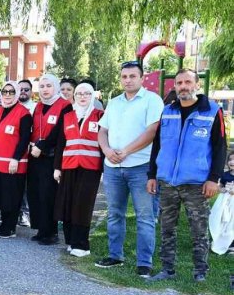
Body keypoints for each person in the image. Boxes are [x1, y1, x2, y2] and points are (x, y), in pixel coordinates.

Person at [147, 69, 227, 282]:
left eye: (187, 82)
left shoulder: (211, 111)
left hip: (197, 183)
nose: (183, 86)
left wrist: (213, 178)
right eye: (179, 83)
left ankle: (200, 272)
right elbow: (157, 145)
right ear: (175, 87)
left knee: (198, 229)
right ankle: (167, 269)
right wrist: (152, 175)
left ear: (196, 85)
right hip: (168, 181)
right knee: (166, 228)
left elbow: (220, 148)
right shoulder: (168, 111)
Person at [95, 61, 164, 276]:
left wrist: (125, 151)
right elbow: (102, 131)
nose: (128, 80)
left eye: (132, 76)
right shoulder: (114, 102)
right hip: (113, 167)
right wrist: (106, 150)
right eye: (124, 76)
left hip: (140, 167)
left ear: (141, 78)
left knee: (145, 216)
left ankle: (145, 262)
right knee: (115, 213)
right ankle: (115, 256)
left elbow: (152, 132)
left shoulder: (152, 100)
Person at [53, 82, 104, 257]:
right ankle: (70, 241)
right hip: (69, 166)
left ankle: (82, 245)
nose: (83, 97)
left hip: (90, 168)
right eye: (79, 94)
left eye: (87, 94)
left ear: (92, 97)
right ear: (75, 96)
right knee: (67, 204)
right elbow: (60, 143)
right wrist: (57, 168)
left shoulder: (100, 115)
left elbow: (104, 142)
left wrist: (105, 168)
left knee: (83, 206)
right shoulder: (67, 115)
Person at [27, 74, 72, 245]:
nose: (45, 90)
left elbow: (61, 131)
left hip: (51, 156)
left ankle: (51, 232)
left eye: (48, 86)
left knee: (48, 194)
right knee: (35, 193)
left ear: (55, 87)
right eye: (42, 86)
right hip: (34, 155)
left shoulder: (65, 106)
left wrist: (42, 146)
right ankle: (40, 229)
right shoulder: (38, 106)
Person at [0, 81, 33, 238]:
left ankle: (10, 228)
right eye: (5, 91)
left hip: (13, 164)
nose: (7, 95)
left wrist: (16, 158)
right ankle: (4, 224)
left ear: (17, 93)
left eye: (11, 92)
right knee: (1, 196)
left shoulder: (24, 113)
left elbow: (25, 139)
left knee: (12, 197)